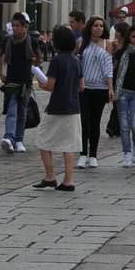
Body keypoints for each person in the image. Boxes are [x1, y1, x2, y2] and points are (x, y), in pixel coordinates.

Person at [31, 25, 83, 192]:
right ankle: (69, 179)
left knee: (43, 139)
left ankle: (50, 175)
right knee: (69, 145)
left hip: (56, 106)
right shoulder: (76, 60)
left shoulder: (57, 60)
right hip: (73, 106)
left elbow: (51, 85)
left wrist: (41, 83)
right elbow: (81, 86)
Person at [0, 12, 39, 154]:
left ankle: (19, 139)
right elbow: (0, 55)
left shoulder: (32, 41)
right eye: (13, 25)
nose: (14, 28)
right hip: (11, 81)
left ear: (25, 27)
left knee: (22, 112)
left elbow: (38, 56)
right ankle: (9, 137)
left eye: (17, 26)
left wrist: (34, 69)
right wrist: (1, 72)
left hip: (26, 82)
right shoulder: (8, 41)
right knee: (11, 109)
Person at [78, 16, 114, 168]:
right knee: (83, 121)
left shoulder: (107, 44)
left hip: (100, 88)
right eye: (95, 26)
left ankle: (93, 155)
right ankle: (82, 154)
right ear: (90, 28)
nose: (98, 28)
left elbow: (108, 67)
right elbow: (75, 61)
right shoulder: (81, 43)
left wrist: (111, 87)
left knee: (95, 122)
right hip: (84, 88)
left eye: (101, 26)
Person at [113, 24, 135, 166]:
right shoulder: (122, 52)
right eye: (133, 36)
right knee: (124, 125)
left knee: (134, 125)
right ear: (129, 37)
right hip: (122, 92)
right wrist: (112, 87)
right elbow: (113, 69)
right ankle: (127, 153)